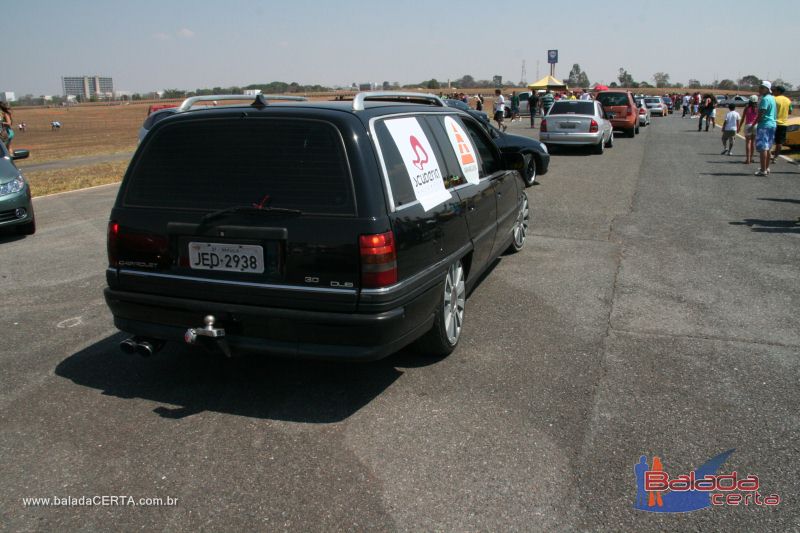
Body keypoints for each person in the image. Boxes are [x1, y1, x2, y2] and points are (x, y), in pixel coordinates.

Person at [754, 81, 776, 176]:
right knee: (768, 147)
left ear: (767, 89)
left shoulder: (765, 99)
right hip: (772, 124)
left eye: (762, 88)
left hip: (764, 125)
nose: (760, 89)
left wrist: (754, 123)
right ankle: (766, 168)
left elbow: (762, 113)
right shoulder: (772, 98)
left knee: (763, 148)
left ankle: (763, 170)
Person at [771, 85, 793, 163]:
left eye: (775, 90)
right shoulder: (788, 100)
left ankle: (768, 154)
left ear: (779, 91)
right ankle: (775, 157)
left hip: (773, 122)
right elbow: (790, 112)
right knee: (779, 142)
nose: (773, 92)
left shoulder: (774, 99)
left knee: (770, 139)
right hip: (783, 123)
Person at [738, 95, 758, 164]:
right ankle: (752, 158)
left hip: (748, 125)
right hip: (755, 125)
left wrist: (739, 127)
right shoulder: (757, 108)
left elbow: (743, 118)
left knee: (748, 142)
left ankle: (748, 159)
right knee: (753, 142)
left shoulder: (746, 108)